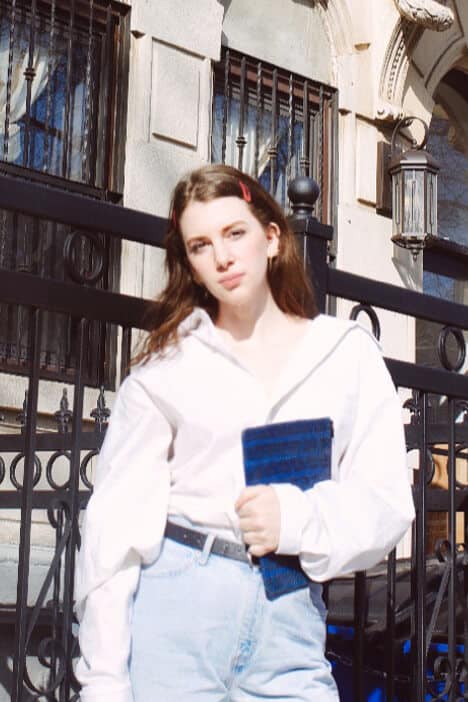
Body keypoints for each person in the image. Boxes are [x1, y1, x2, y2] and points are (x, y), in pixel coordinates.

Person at [74, 164, 415, 702]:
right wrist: (104, 681)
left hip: (289, 620)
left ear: (272, 237)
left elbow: (387, 503)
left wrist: (299, 518)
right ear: (190, 263)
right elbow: (114, 531)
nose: (223, 257)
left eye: (235, 233)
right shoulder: (167, 368)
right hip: (177, 610)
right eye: (201, 245)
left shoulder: (345, 354)